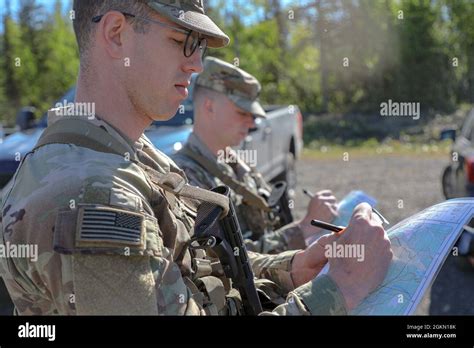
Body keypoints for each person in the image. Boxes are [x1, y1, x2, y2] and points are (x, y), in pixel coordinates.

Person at [0, 0, 392, 315]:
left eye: (200, 47)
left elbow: (194, 271)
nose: (196, 64)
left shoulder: (128, 155)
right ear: (116, 34)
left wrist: (291, 269)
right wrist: (338, 290)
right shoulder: (96, 195)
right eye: (182, 40)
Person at [173, 56, 338, 254]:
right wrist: (303, 229)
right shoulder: (186, 178)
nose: (252, 124)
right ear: (209, 107)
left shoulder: (235, 163)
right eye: (242, 113)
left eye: (253, 116)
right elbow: (218, 262)